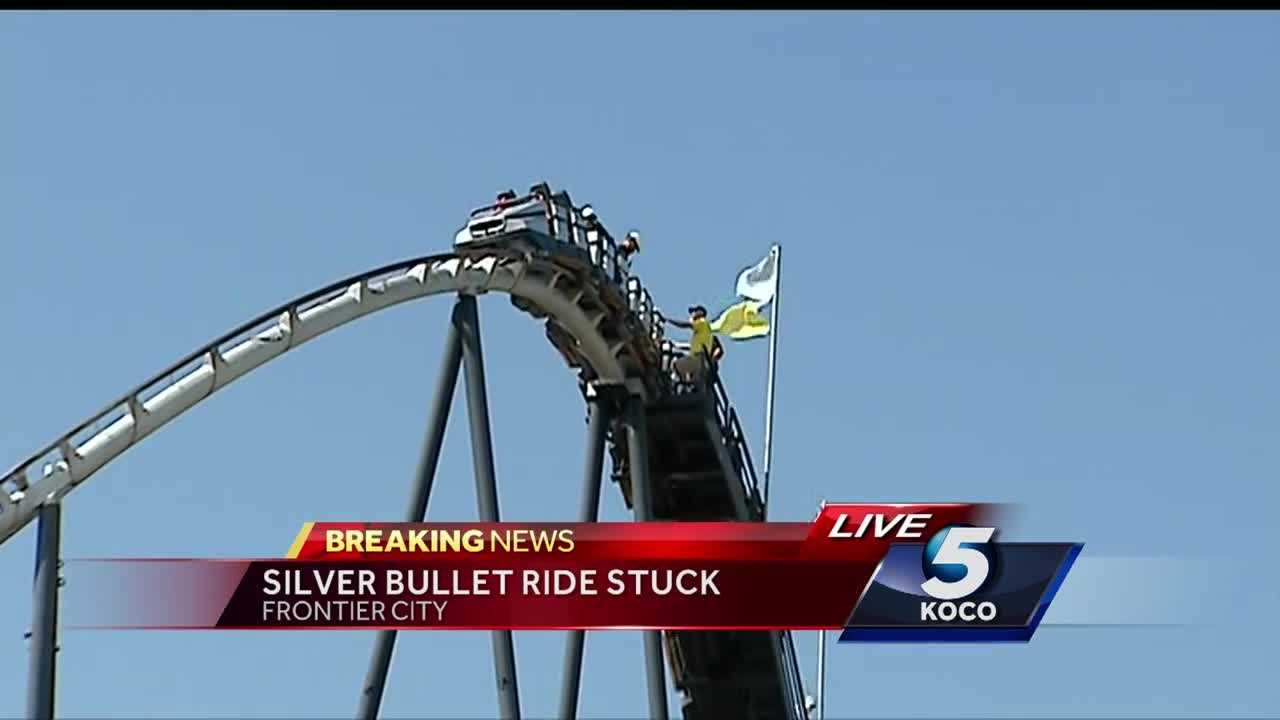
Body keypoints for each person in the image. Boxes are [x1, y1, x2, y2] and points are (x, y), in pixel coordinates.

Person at [662, 305, 724, 382]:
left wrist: (668, 320)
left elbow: (685, 325)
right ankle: (684, 384)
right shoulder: (704, 332)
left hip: (698, 359)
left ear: (700, 312)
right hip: (702, 363)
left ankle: (670, 381)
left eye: (694, 312)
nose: (692, 315)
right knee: (691, 381)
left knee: (675, 365)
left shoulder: (701, 322)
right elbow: (690, 347)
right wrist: (676, 345)